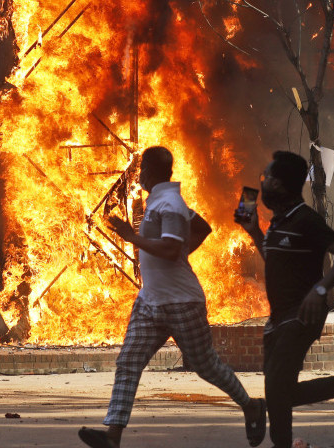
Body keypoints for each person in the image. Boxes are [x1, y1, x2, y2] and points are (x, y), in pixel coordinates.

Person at [79, 146, 267, 448]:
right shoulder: (160, 200)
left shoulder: (170, 204)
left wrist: (133, 237)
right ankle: (112, 435)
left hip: (182, 302)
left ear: (151, 173)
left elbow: (168, 249)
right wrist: (181, 251)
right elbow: (202, 228)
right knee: (128, 361)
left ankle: (251, 406)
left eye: (141, 170)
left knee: (207, 366)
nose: (138, 175)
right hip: (151, 300)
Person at [235, 150, 334, 448]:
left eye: (269, 178)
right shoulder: (277, 223)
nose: (263, 183)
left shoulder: (305, 220)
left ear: (284, 186)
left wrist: (320, 290)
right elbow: (275, 261)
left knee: (275, 390)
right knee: (281, 393)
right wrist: (254, 233)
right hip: (278, 319)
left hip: (302, 315)